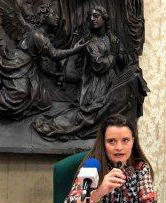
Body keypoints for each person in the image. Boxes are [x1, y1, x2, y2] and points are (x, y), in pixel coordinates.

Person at [32, 5, 136, 141]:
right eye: (90, 17)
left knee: (133, 82)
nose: (92, 19)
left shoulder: (112, 38)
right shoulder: (89, 42)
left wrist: (120, 54)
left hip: (110, 83)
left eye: (96, 16)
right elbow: (100, 65)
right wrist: (114, 53)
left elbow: (124, 60)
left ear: (104, 19)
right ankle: (56, 125)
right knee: (88, 115)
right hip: (94, 86)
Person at [64, 114, 156, 203]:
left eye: (125, 140)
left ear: (132, 141)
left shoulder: (140, 167)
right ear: (103, 143)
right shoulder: (93, 166)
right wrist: (98, 193)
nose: (119, 147)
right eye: (111, 141)